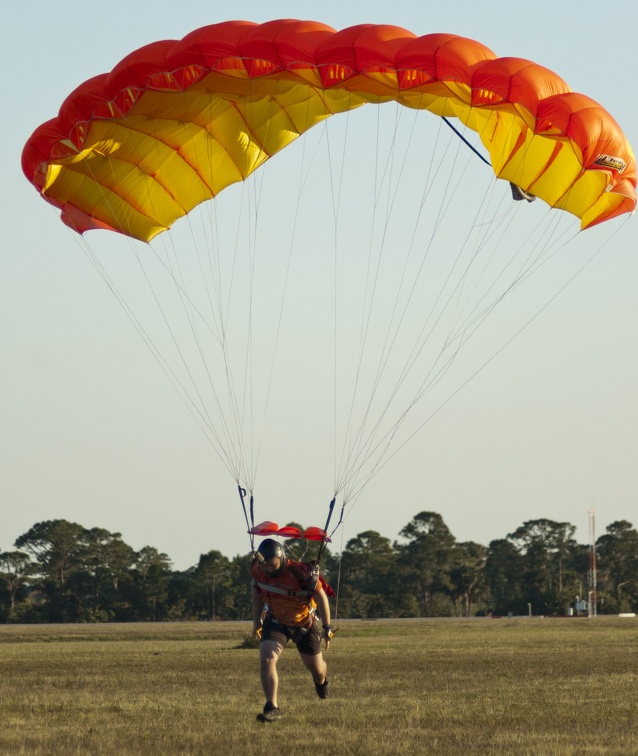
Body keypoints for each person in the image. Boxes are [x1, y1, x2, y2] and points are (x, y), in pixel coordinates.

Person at [251, 538, 334, 723]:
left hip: (304, 624)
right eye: (266, 566)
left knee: (317, 669)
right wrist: (257, 621)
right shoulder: (258, 569)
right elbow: (257, 592)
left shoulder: (301, 573)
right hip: (276, 621)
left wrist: (327, 627)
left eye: (273, 565)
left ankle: (321, 681)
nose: (269, 570)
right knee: (266, 659)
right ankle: (271, 707)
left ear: (281, 558)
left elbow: (321, 596)